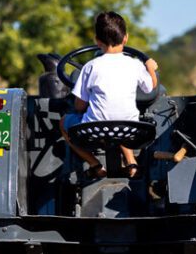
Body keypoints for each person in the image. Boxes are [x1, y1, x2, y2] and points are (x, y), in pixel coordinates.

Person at [60, 11, 159, 178]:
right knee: (120, 121)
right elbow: (151, 87)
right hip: (130, 129)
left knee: (64, 122)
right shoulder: (135, 64)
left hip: (94, 130)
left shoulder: (90, 66)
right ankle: (131, 162)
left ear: (97, 41)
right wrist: (150, 67)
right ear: (125, 38)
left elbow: (79, 106)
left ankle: (95, 165)